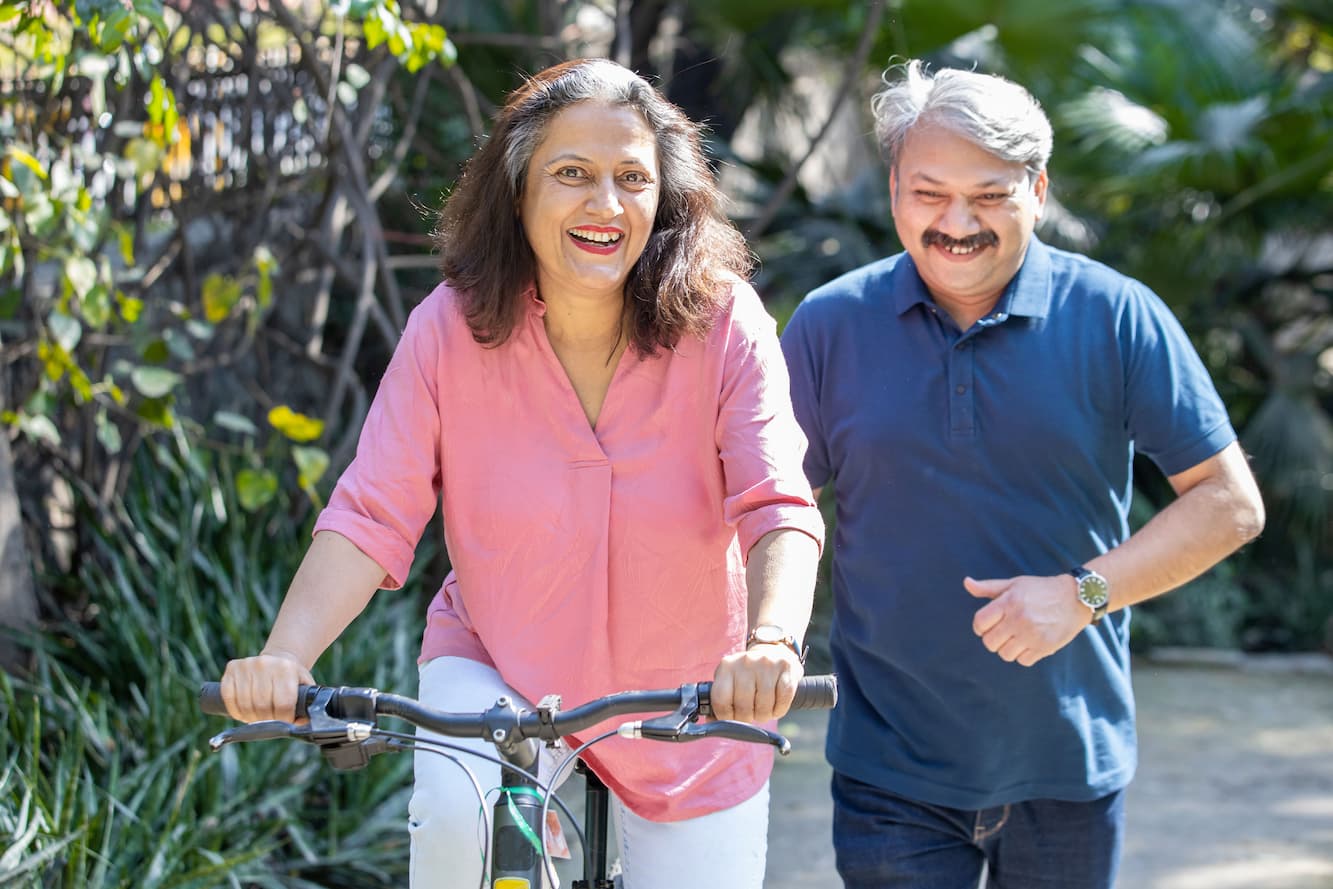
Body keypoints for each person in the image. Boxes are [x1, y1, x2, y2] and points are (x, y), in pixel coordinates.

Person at [220, 58, 823, 889]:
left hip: (689, 699)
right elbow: (371, 513)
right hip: (497, 669)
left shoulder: (724, 323)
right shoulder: (448, 330)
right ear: (517, 191)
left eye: (631, 178)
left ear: (665, 199)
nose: (604, 204)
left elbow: (777, 502)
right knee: (460, 817)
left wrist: (769, 643)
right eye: (570, 173)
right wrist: (286, 655)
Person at [780, 60, 1265, 889]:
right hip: (888, 767)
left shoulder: (1117, 315)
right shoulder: (829, 325)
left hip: (1065, 761)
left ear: (1037, 189)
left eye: (990, 194)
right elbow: (767, 507)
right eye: (928, 192)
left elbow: (1228, 504)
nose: (956, 222)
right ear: (892, 187)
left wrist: (1081, 593)